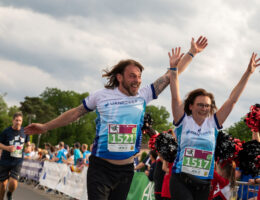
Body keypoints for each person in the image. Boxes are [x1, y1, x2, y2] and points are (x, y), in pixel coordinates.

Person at [24, 46, 200, 200]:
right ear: (119, 77)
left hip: (125, 171)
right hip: (100, 168)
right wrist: (45, 126)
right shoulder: (101, 96)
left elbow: (170, 76)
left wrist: (191, 52)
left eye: (139, 77)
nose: (137, 81)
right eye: (132, 76)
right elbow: (75, 113)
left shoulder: (143, 95)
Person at [169, 38, 260, 199]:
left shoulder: (213, 123)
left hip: (204, 183)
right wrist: (174, 69)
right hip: (181, 179)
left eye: (207, 106)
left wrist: (248, 73)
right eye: (200, 105)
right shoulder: (183, 120)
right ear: (191, 106)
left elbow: (232, 100)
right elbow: (176, 98)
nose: (204, 108)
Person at [0, 112, 29, 200]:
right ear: (13, 121)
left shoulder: (25, 131)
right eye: (16, 120)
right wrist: (7, 148)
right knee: (2, 185)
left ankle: (10, 193)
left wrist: (29, 147)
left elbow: (28, 143)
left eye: (20, 121)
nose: (18, 122)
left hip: (17, 161)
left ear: (22, 121)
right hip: (5, 160)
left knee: (13, 182)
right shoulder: (6, 131)